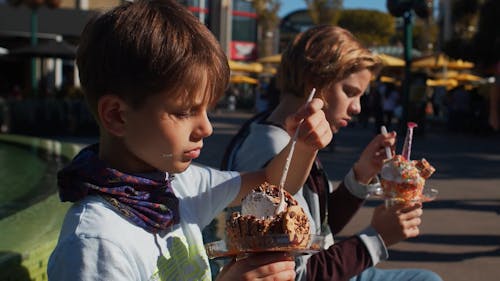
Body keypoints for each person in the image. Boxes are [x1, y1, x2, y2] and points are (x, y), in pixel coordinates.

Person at [46, 1, 333, 280]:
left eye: (207, 110)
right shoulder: (96, 244)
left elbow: (273, 183)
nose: (206, 128)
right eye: (185, 111)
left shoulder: (179, 186)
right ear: (117, 116)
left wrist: (304, 144)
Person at [219, 25, 442, 281]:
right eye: (349, 92)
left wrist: (361, 175)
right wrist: (376, 239)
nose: (357, 108)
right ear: (316, 83)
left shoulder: (283, 134)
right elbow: (298, 273)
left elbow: (316, 229)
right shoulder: (270, 150)